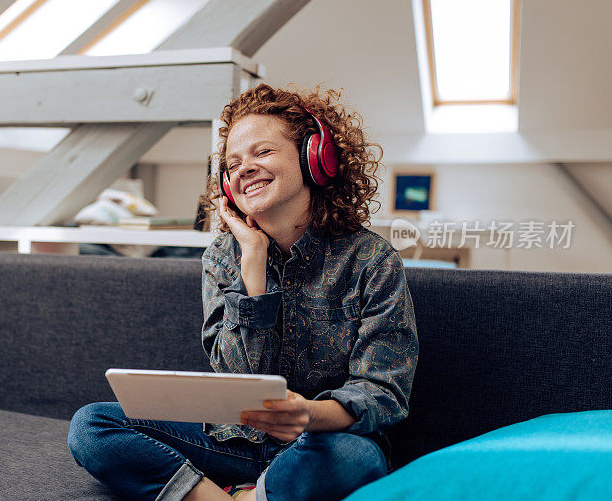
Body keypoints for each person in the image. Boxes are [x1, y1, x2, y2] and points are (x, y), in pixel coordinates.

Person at [68, 83, 418, 501]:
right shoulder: (223, 257)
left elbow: (384, 394)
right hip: (233, 442)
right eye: (233, 164)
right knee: (91, 426)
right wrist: (253, 262)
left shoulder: (371, 259)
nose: (244, 168)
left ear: (315, 158)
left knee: (356, 458)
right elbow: (236, 376)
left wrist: (306, 413)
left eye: (263, 152)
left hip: (319, 441)